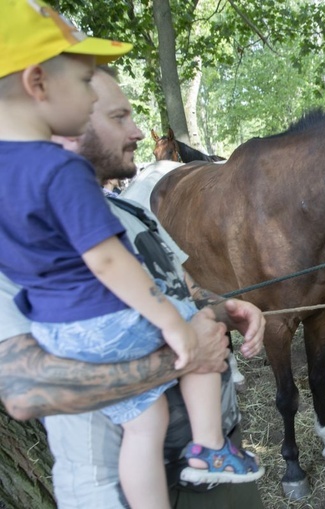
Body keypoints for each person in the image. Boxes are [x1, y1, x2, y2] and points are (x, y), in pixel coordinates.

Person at [0, 3, 264, 506]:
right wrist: (185, 351)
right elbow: (24, 390)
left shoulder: (126, 211)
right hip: (113, 489)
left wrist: (220, 307)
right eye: (118, 116)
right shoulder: (35, 213)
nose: (140, 133)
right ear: (43, 99)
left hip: (206, 471)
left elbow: (179, 290)